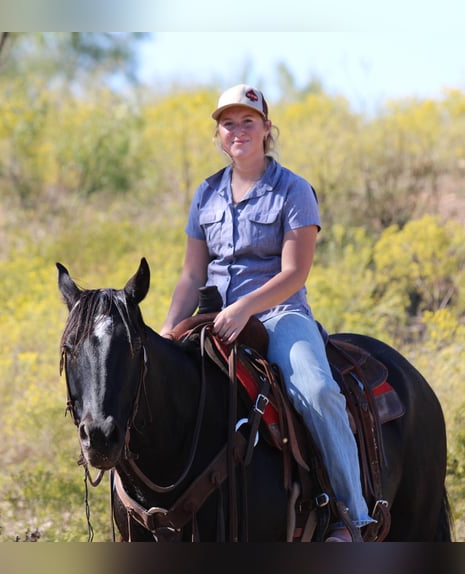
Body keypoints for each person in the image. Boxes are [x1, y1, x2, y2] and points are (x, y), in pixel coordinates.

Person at [159, 83, 373, 542]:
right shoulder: (206, 195)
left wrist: (246, 308)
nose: (238, 131)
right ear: (218, 135)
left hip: (279, 314)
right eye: (228, 124)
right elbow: (191, 274)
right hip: (212, 317)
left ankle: (351, 518)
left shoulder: (293, 190)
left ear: (266, 129)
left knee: (316, 390)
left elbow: (295, 272)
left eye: (248, 122)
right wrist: (169, 328)